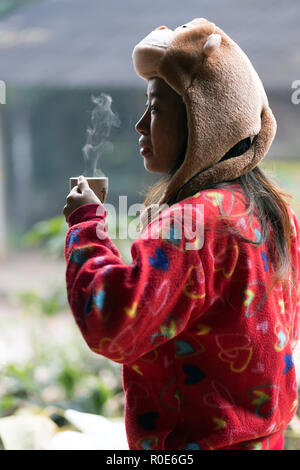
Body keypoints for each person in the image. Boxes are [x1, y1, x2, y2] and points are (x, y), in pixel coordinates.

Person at [63, 18, 300, 450]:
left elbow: (112, 323)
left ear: (203, 122)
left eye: (154, 109)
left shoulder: (190, 224)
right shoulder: (273, 211)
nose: (139, 126)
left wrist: (86, 227)